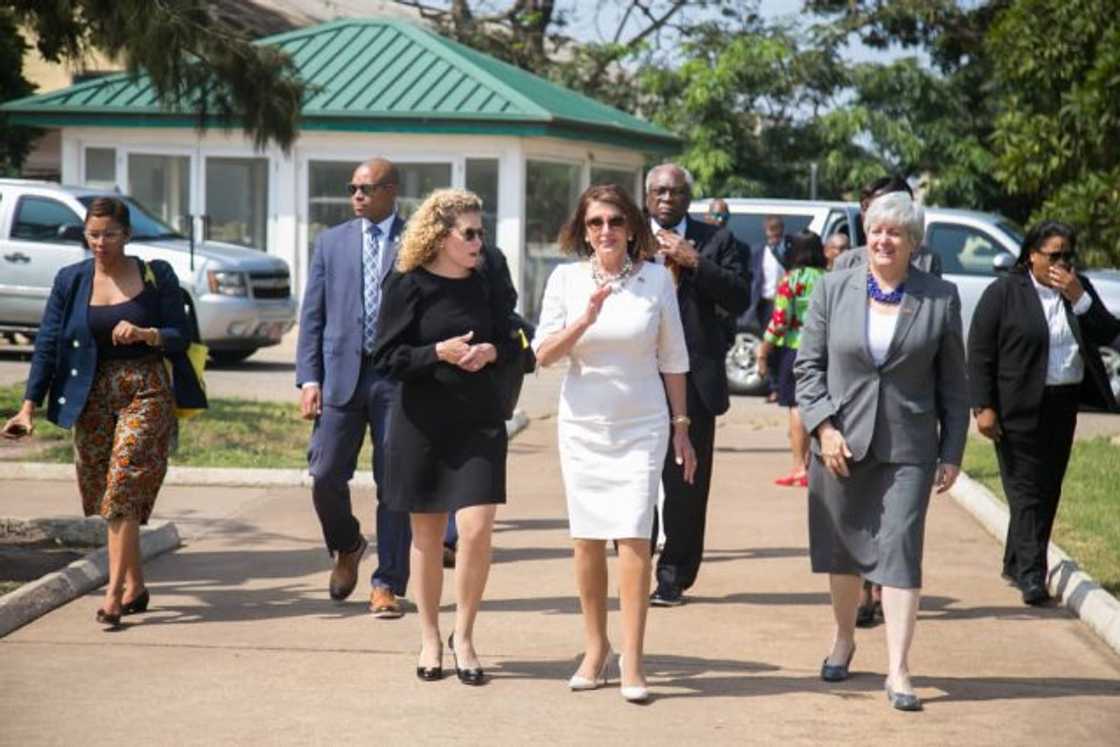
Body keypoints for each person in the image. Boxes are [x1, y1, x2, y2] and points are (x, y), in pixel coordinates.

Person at [795, 191, 968, 712]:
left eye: (896, 232)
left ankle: (897, 669)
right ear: (865, 235)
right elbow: (808, 368)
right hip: (840, 442)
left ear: (913, 242)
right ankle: (844, 638)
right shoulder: (832, 288)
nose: (884, 240)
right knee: (842, 550)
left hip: (908, 445)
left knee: (899, 550)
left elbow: (953, 384)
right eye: (876, 230)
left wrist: (952, 450)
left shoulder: (940, 297)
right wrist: (822, 428)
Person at [2, 197, 206, 628]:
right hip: (88, 394)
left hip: (144, 389)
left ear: (127, 235)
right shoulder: (71, 280)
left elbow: (179, 336)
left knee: (122, 488)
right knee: (102, 495)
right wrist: (27, 407)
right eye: (93, 234)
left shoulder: (156, 275)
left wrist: (148, 333)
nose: (100, 242)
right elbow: (48, 343)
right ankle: (135, 585)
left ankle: (112, 595)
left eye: (109, 234)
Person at [533, 183, 696, 703]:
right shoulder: (565, 280)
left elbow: (673, 359)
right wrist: (586, 318)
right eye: (596, 223)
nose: (606, 231)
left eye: (615, 221)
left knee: (633, 537)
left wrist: (682, 428)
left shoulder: (655, 281)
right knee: (586, 540)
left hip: (641, 425)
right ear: (583, 230)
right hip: (583, 426)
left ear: (632, 227)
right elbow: (544, 355)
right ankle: (595, 648)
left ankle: (633, 659)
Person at [371, 189, 515, 685]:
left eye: (482, 232)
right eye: (470, 233)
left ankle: (466, 635)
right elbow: (387, 357)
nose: (479, 242)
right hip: (422, 425)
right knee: (427, 537)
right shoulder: (407, 283)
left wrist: (492, 352)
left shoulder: (490, 276)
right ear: (440, 235)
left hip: (478, 422)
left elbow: (510, 334)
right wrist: (438, 352)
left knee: (475, 529)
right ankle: (430, 636)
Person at [968, 220, 1120, 606]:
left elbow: (1108, 333)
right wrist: (982, 406)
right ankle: (1032, 574)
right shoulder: (1005, 293)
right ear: (1032, 255)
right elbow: (981, 351)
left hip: (1063, 403)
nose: (1062, 263)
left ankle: (1016, 561)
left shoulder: (1077, 289)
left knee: (1047, 487)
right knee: (1025, 490)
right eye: (1054, 256)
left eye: (1068, 256)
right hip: (1015, 406)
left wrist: (1079, 299)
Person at [296, 157, 411, 618]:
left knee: (395, 484)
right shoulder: (330, 242)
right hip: (341, 375)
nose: (357, 196)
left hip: (397, 377)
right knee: (324, 473)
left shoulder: (416, 240)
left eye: (367, 188)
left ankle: (387, 584)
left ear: (391, 190)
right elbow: (313, 315)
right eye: (353, 188)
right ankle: (347, 545)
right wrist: (309, 378)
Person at [644, 164, 752, 608]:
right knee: (638, 476)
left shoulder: (719, 241)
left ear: (690, 197)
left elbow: (740, 297)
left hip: (695, 379)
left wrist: (695, 262)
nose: (667, 199)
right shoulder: (625, 235)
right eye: (659, 192)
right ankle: (634, 558)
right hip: (638, 375)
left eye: (676, 192)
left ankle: (674, 575)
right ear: (647, 196)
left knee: (687, 481)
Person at [755, 231, 828, 487]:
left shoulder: (791, 280)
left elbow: (780, 321)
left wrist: (763, 350)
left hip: (795, 349)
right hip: (826, 350)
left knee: (797, 406)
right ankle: (813, 464)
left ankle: (799, 466)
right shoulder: (830, 280)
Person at [833, 176, 942, 276]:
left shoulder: (927, 261)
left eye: (877, 207)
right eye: (864, 207)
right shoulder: (846, 263)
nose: (867, 213)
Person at [747, 215, 789, 400]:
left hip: (785, 304)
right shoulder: (758, 252)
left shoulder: (788, 252)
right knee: (767, 345)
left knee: (783, 347)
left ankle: (783, 385)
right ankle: (774, 387)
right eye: (770, 232)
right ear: (765, 232)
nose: (773, 237)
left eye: (777, 232)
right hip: (765, 304)